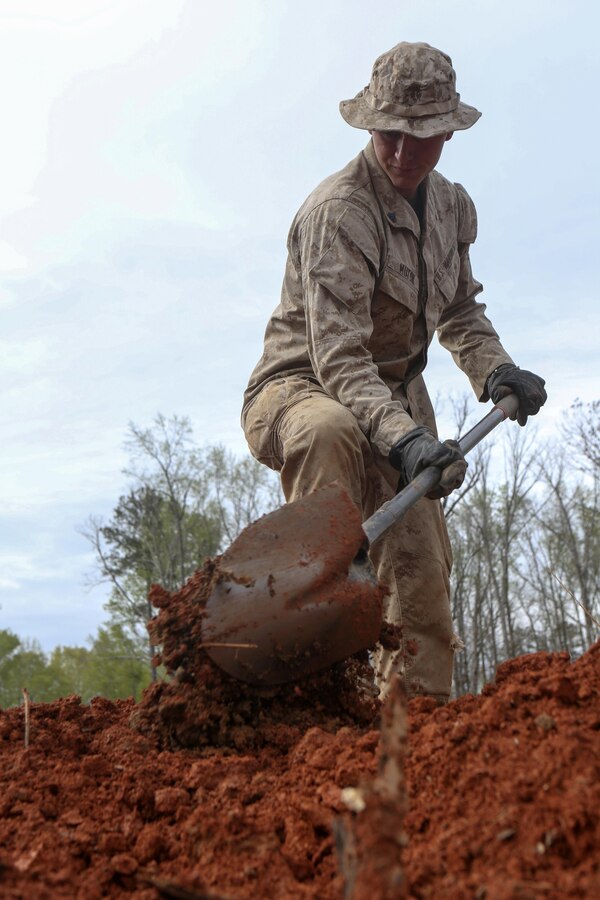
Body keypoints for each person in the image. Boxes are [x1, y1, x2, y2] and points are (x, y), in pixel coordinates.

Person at [241, 42, 547, 703]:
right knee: (328, 432)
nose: (405, 155)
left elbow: (460, 311)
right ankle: (315, 677)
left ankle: (420, 734)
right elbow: (341, 360)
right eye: (391, 135)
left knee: (421, 578)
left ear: (446, 132)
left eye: (424, 138)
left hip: (397, 400)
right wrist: (404, 441)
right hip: (303, 389)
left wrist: (497, 372)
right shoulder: (337, 212)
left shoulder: (451, 209)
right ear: (371, 125)